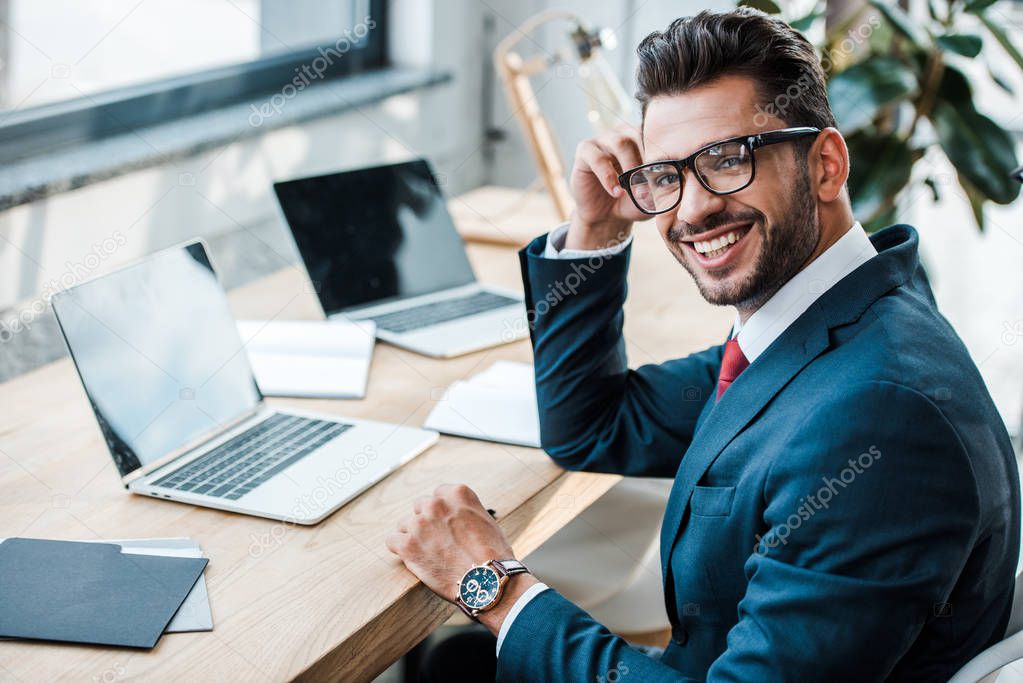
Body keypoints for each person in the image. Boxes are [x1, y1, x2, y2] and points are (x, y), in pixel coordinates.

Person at [386, 8, 1021, 681]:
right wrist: (594, 230)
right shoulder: (827, 322)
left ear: (826, 166)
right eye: (665, 175)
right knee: (459, 661)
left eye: (726, 159)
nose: (690, 211)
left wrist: (499, 588)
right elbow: (592, 427)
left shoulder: (875, 416)